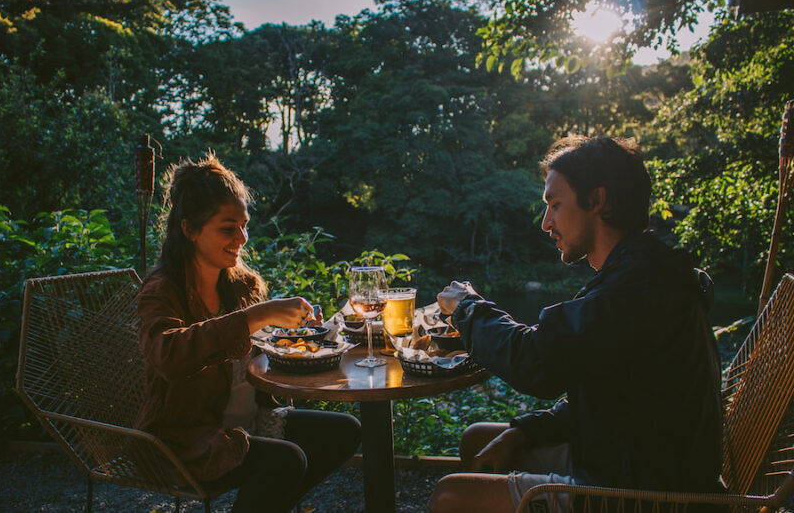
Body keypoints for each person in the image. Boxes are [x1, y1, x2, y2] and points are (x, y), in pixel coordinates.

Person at [429, 136, 724, 513]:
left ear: (597, 200)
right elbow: (613, 396)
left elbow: (537, 362)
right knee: (478, 441)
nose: (545, 222)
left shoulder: (635, 291)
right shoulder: (646, 273)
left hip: (646, 496)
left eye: (554, 204)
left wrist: (467, 308)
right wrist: (527, 430)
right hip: (636, 460)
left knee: (450, 497)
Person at [135, 154, 361, 513]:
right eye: (228, 228)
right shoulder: (164, 290)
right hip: (188, 438)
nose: (241, 238)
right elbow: (166, 354)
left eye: (244, 225)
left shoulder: (242, 285)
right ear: (189, 229)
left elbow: (261, 352)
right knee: (286, 461)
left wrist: (300, 336)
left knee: (346, 430)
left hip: (248, 420)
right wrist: (255, 316)